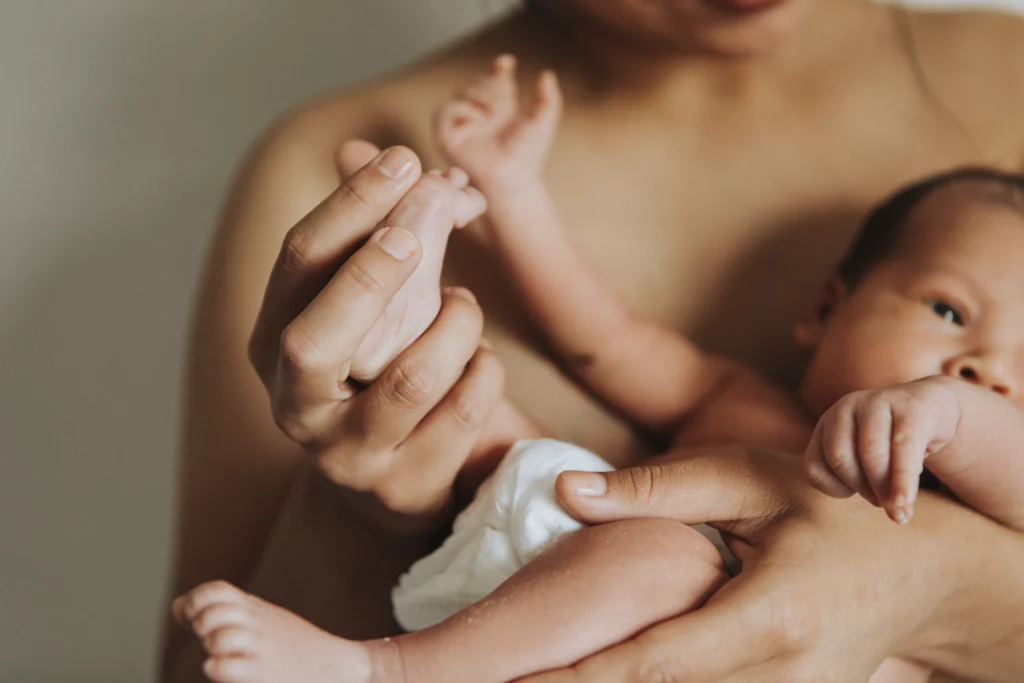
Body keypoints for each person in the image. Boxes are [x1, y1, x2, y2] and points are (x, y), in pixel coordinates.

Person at [161, 1, 1024, 681]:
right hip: (539, 551)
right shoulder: (741, 404)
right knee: (493, 432)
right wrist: (512, 195)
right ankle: (372, 656)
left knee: (639, 538)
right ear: (827, 309)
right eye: (947, 312)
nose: (987, 366)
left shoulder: (1001, 76)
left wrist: (944, 552)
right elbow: (603, 340)